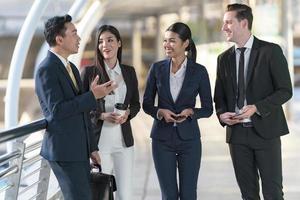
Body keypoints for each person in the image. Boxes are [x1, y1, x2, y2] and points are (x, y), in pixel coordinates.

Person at [214, 3, 293, 200]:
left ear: (244, 23)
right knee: (248, 194)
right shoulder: (224, 59)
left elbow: (285, 90)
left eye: (228, 22)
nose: (223, 28)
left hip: (266, 133)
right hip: (237, 136)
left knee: (273, 193)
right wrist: (222, 114)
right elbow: (220, 97)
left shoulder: (270, 51)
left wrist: (257, 108)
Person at [35, 14, 116, 200]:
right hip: (65, 152)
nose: (79, 38)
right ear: (59, 39)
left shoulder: (70, 66)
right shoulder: (46, 69)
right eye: (74, 33)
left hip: (78, 149)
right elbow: (56, 111)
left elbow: (82, 112)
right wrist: (93, 96)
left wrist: (92, 147)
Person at [143, 22, 213, 200]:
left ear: (186, 43)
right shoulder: (157, 69)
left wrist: (191, 112)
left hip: (189, 140)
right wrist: (160, 112)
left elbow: (208, 109)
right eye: (165, 41)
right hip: (161, 140)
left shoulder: (199, 71)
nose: (167, 45)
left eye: (172, 41)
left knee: (189, 194)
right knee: (169, 195)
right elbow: (147, 104)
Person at [81, 25, 140, 200]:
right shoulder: (89, 73)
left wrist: (128, 113)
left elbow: (136, 104)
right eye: (100, 42)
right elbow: (82, 108)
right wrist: (101, 115)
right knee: (101, 195)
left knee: (126, 194)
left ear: (119, 43)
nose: (105, 45)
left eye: (110, 40)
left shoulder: (129, 72)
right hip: (100, 145)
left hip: (124, 143)